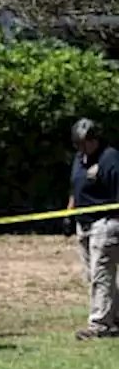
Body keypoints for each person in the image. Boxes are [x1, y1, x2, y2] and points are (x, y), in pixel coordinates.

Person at [65, 118, 119, 340]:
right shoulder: (80, 159)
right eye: (77, 143)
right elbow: (74, 189)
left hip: (105, 224)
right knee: (93, 276)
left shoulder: (110, 158)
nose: (80, 147)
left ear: (95, 139)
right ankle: (114, 317)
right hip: (84, 224)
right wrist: (69, 214)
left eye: (84, 143)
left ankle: (100, 325)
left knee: (101, 275)